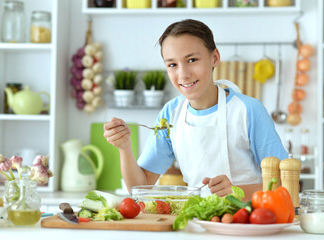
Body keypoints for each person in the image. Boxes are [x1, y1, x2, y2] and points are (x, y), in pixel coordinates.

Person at [104, 19, 288, 200]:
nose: (183, 74)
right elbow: (139, 189)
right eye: (172, 65)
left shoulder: (248, 110)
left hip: (248, 222)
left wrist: (237, 191)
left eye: (192, 60)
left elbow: (286, 183)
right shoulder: (170, 114)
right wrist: (124, 148)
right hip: (197, 220)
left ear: (214, 58)